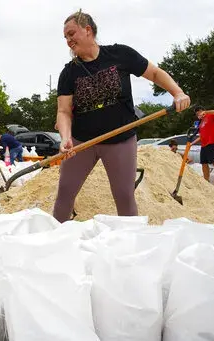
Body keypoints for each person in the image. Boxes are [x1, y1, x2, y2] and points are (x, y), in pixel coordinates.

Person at [54, 10, 190, 223]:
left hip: (121, 140)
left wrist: (177, 92)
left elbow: (154, 73)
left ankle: (130, 244)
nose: (68, 40)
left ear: (88, 30)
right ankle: (55, 240)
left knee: (124, 195)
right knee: (65, 193)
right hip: (82, 142)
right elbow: (63, 111)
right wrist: (65, 137)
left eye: (71, 34)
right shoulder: (69, 73)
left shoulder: (120, 55)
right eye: (65, 37)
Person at [191, 106, 214, 189]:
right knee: (204, 163)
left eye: (199, 113)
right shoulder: (201, 123)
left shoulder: (211, 115)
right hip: (204, 145)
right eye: (197, 114)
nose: (198, 115)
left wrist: (206, 112)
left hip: (213, 143)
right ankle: (206, 181)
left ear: (202, 111)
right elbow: (201, 136)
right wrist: (192, 143)